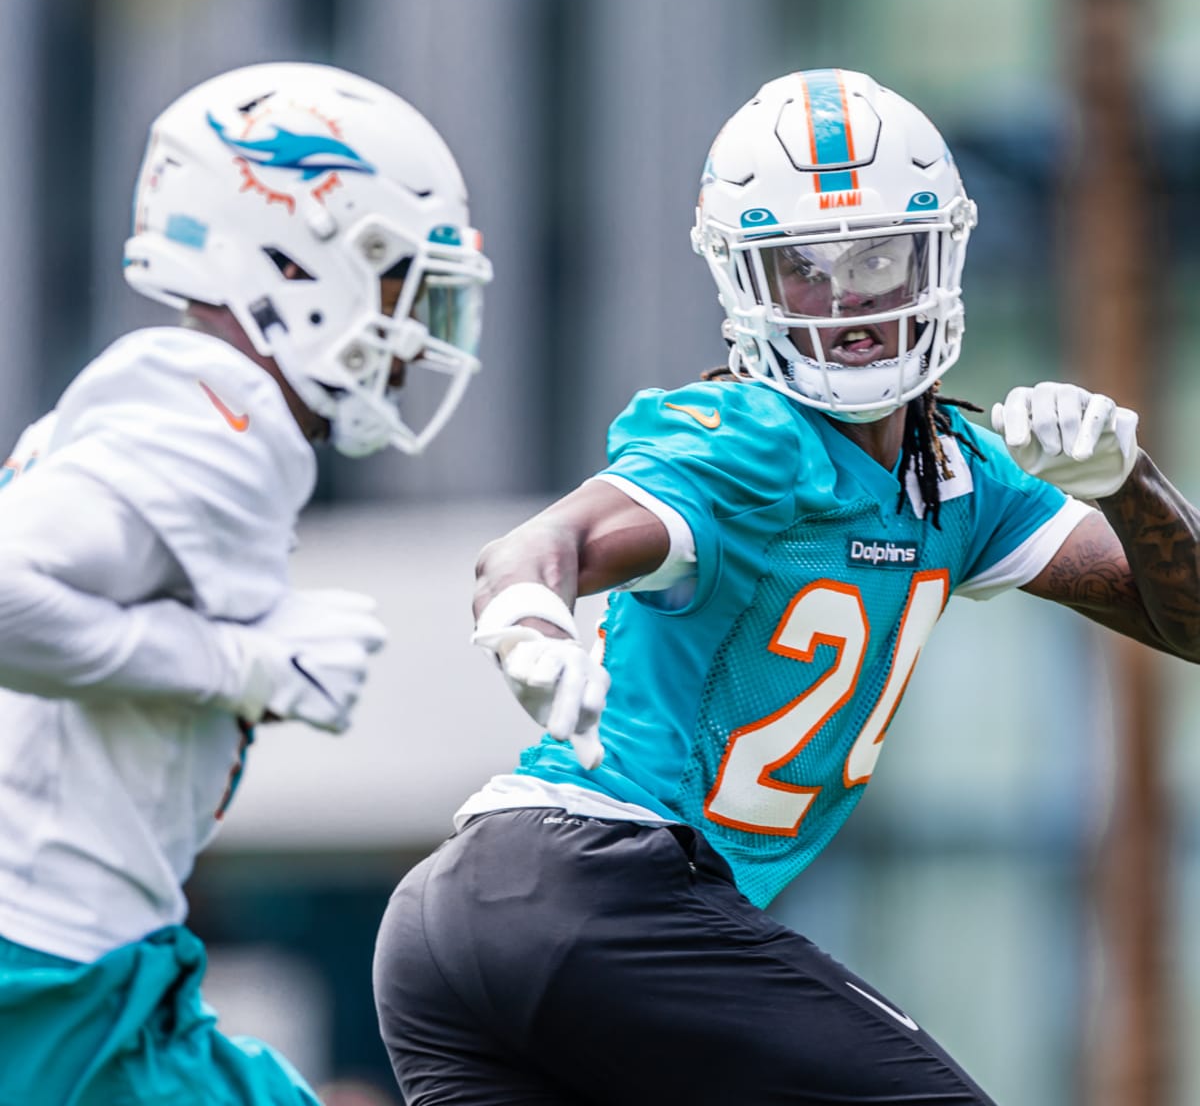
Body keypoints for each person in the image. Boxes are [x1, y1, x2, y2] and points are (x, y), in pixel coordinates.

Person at [372, 67, 1200, 1105]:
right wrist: (534, 621)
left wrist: (1130, 484)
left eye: (875, 258)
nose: (846, 300)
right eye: (801, 267)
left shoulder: (964, 475)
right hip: (589, 890)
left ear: (933, 256)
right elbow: (541, 546)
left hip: (471, 933)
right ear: (742, 283)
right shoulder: (751, 440)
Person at [0, 61, 492, 1105]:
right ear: (294, 256)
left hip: (87, 970)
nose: (411, 340)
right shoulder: (217, 413)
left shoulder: (184, 407)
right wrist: (238, 663)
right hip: (48, 977)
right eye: (398, 280)